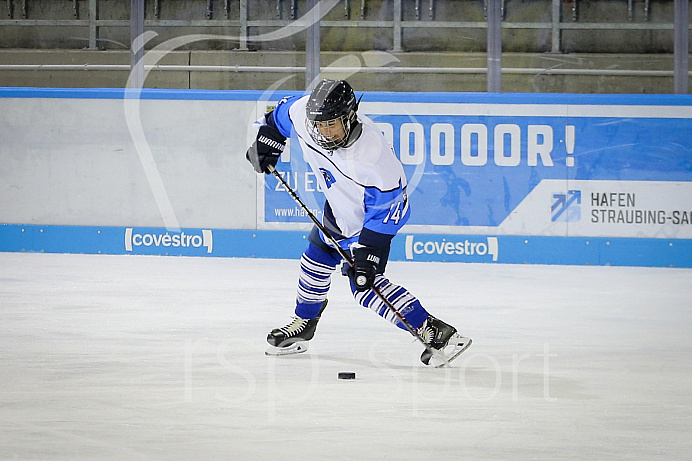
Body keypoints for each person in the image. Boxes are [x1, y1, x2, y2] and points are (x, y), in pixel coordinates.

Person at [246, 79, 471, 366]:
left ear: (350, 116)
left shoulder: (372, 156)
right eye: (320, 125)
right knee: (314, 260)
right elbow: (277, 119)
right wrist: (266, 143)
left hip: (367, 220)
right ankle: (304, 323)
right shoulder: (304, 114)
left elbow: (394, 207)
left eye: (333, 124)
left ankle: (436, 332)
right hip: (339, 208)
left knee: (364, 284)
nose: (325, 132)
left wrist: (370, 247)